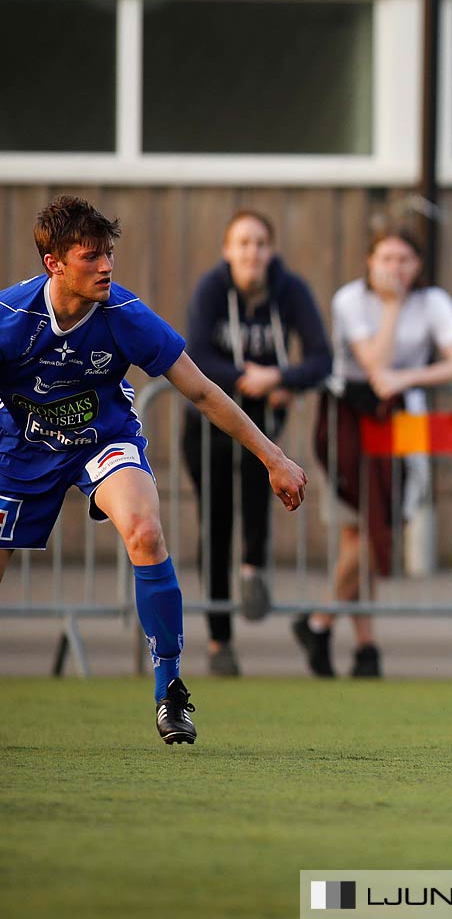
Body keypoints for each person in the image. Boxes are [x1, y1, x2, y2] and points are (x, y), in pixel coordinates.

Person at [0, 196, 308, 743]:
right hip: (21, 446)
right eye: (91, 256)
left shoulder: (125, 315)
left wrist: (275, 458)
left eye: (109, 254)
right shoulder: (10, 319)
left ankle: (170, 691)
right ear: (54, 264)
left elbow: (204, 392)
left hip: (104, 439)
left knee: (144, 530)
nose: (106, 266)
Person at [295, 229, 452, 680]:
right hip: (349, 420)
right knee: (358, 532)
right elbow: (375, 366)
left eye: (405, 259)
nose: (395, 268)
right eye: (386, 258)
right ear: (369, 261)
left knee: (379, 525)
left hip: (399, 419)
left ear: (418, 265)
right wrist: (393, 307)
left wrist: (409, 377)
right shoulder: (349, 300)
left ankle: (320, 621)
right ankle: (364, 644)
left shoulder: (433, 301)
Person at [182, 209, 331, 676]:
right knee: (216, 522)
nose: (252, 252)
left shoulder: (290, 290)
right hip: (207, 425)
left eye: (260, 243)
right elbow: (197, 355)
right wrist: (248, 379)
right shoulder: (211, 290)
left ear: (271, 251)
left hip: (263, 429)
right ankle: (219, 641)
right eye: (243, 243)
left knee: (260, 497)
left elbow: (322, 357)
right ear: (228, 251)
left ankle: (253, 571)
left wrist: (281, 377)